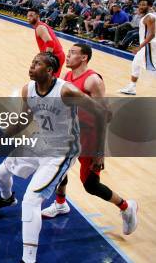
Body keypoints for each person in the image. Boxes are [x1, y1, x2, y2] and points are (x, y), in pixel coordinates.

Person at [0, 52, 108, 263]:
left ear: (49, 71)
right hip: (39, 142)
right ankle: (8, 198)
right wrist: (0, 138)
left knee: (32, 200)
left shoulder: (66, 91)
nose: (31, 66)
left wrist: (98, 152)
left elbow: (101, 113)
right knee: (0, 173)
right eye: (31, 62)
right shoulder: (28, 89)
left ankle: (28, 259)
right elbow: (24, 119)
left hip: (62, 150)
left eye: (37, 63)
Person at [41, 43, 138, 235]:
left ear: (84, 58)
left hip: (91, 138)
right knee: (60, 168)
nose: (67, 56)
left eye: (72, 53)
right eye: (68, 53)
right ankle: (60, 204)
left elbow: (103, 115)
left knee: (90, 185)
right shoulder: (68, 76)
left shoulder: (93, 80)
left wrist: (99, 153)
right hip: (71, 134)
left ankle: (127, 207)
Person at [119, 0, 155, 95]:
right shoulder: (147, 16)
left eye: (144, 4)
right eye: (140, 4)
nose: (141, 6)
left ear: (150, 6)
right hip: (147, 45)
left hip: (149, 45)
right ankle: (132, 87)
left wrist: (140, 46)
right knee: (136, 64)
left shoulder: (150, 17)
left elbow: (152, 35)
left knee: (152, 68)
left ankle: (132, 87)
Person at [27, 8, 65, 78]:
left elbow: (50, 43)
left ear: (38, 16)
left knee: (49, 80)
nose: (28, 18)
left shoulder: (40, 27)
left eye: (31, 15)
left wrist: (46, 60)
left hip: (55, 56)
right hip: (57, 55)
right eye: (28, 16)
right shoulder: (41, 25)